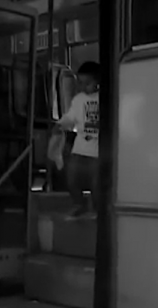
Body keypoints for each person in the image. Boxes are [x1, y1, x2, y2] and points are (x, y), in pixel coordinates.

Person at [56, 61, 100, 220]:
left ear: (98, 82)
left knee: (97, 184)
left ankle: (97, 209)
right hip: (80, 148)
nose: (82, 87)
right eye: (80, 83)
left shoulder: (106, 98)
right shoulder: (78, 100)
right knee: (72, 179)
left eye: (87, 83)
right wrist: (61, 125)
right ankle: (79, 204)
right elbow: (70, 118)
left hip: (98, 151)